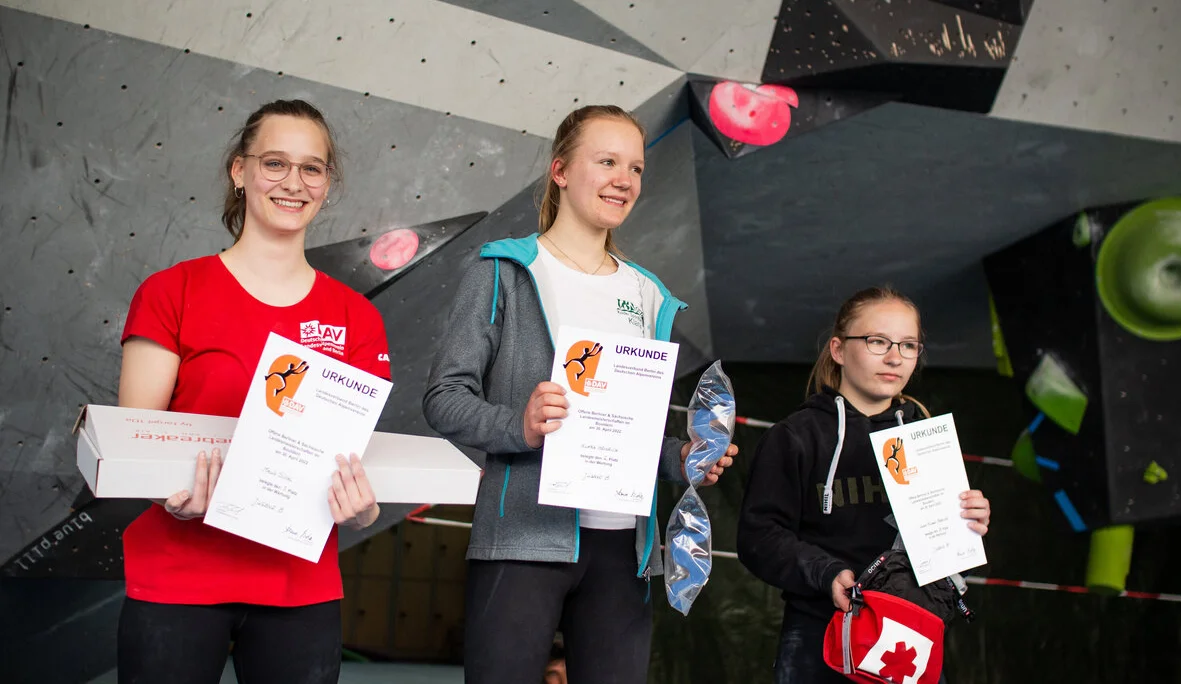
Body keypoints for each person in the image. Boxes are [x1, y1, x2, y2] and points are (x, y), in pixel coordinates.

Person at [423, 104, 737, 684]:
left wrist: (686, 456)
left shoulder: (648, 294)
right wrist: (518, 425)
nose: (624, 179)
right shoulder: (503, 271)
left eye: (636, 168)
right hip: (523, 536)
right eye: (607, 161)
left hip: (625, 551)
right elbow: (444, 396)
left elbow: (629, 429)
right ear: (561, 171)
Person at [115, 99, 390, 684]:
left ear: (327, 184)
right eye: (275, 163)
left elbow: (357, 459)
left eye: (312, 168)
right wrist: (169, 493)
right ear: (239, 172)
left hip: (299, 583)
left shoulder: (357, 318)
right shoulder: (172, 292)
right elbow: (134, 442)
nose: (294, 183)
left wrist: (365, 509)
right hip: (180, 573)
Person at [736, 286, 991, 683]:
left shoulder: (925, 438)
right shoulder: (796, 437)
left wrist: (969, 520)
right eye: (878, 341)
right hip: (820, 634)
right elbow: (759, 537)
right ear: (838, 350)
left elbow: (946, 550)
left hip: (912, 634)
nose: (894, 357)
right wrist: (827, 573)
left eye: (909, 345)